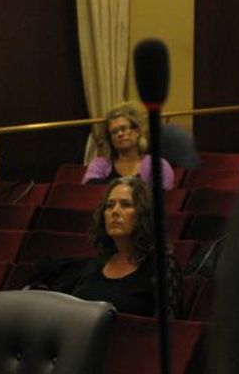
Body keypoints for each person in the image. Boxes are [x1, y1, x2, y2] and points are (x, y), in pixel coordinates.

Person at [67, 176, 182, 317]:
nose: (114, 212)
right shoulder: (98, 263)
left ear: (144, 215)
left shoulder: (162, 265)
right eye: (109, 205)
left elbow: (170, 328)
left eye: (126, 205)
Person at [82, 103, 174, 190]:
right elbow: (90, 191)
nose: (120, 134)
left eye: (123, 128)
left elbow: (165, 198)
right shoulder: (100, 164)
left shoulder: (157, 164)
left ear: (137, 131)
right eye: (114, 132)